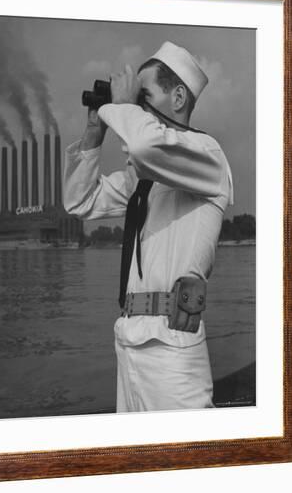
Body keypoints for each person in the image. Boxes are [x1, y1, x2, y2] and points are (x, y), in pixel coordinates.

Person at [63, 41, 234, 412]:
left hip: (172, 349)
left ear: (177, 98)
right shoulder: (142, 179)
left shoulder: (208, 156)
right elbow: (80, 201)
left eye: (145, 96)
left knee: (185, 464)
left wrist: (122, 107)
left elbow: (143, 146)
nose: (138, 105)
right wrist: (95, 132)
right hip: (128, 341)